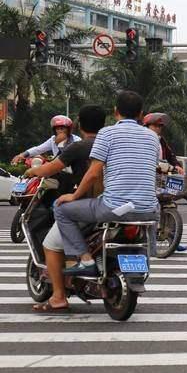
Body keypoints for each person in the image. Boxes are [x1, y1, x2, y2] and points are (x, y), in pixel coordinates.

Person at [53, 91, 161, 277]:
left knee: (61, 209)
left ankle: (85, 260)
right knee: (152, 208)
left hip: (113, 207)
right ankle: (149, 253)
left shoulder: (107, 133)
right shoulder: (152, 137)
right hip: (149, 210)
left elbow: (94, 173)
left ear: (115, 111)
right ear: (141, 114)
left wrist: (74, 196)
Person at [30, 105, 106, 312]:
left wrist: (32, 170)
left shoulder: (80, 146)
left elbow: (51, 168)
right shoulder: (110, 143)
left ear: (79, 124)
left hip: (90, 207)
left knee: (51, 244)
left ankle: (58, 296)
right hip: (117, 206)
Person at [143, 112, 187, 252]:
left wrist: (177, 166)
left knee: (169, 203)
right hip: (145, 178)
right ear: (147, 126)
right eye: (155, 126)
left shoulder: (161, 141)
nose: (158, 128)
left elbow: (170, 156)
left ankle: (172, 237)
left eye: (160, 126)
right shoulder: (142, 139)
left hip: (160, 177)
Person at [12, 115, 81, 165]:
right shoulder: (53, 140)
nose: (60, 131)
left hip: (74, 170)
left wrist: (60, 144)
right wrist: (22, 155)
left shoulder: (77, 140)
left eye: (62, 128)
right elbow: (38, 149)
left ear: (68, 130)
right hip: (58, 169)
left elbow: (68, 157)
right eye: (57, 129)